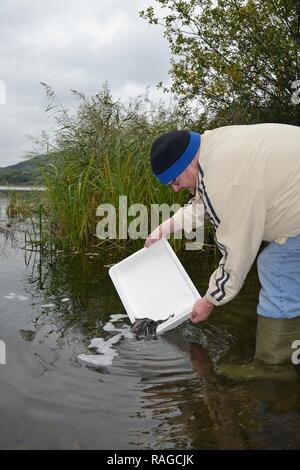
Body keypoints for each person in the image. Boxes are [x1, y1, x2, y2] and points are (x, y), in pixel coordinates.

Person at [145, 125, 300, 381]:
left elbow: (236, 252)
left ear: (186, 166)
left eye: (174, 181)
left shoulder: (224, 183)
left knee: (276, 266)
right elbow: (205, 201)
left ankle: (274, 371)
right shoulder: (213, 146)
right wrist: (165, 228)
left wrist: (210, 300)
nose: (175, 189)